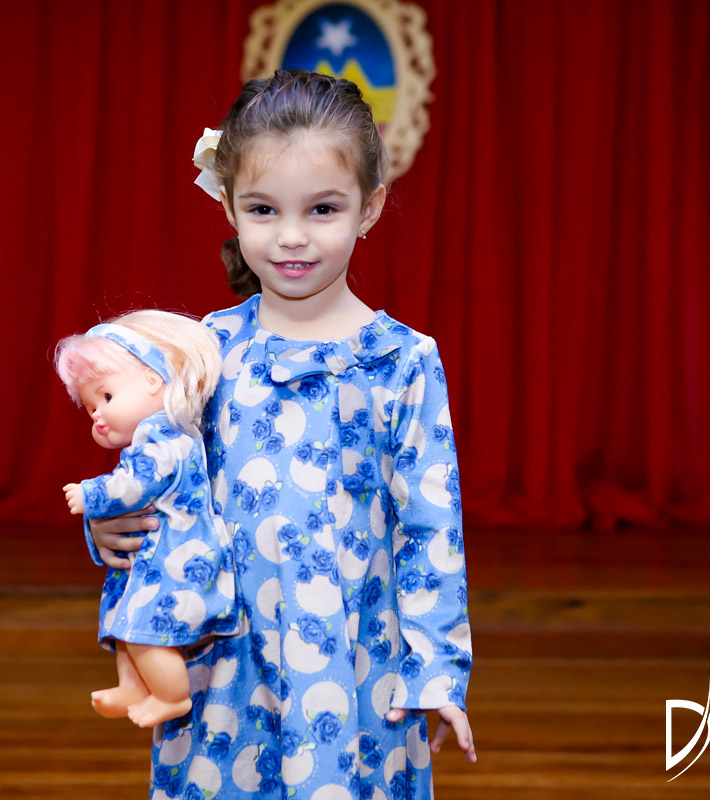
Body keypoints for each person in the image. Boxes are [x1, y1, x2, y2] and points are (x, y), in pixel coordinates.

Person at [89, 69, 474, 798]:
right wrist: (113, 524)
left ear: (369, 207)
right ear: (229, 207)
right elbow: (159, 475)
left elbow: (431, 530)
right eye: (264, 209)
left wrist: (437, 671)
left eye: (322, 208)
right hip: (223, 663)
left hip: (358, 669)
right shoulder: (203, 352)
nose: (292, 236)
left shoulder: (403, 361)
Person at [55, 310, 242, 728]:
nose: (97, 415)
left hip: (178, 559)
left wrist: (93, 494)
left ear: (153, 380)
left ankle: (172, 696)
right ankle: (133, 686)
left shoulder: (164, 439)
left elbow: (138, 483)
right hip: (159, 556)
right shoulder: (153, 437)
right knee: (127, 622)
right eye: (90, 408)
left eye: (106, 397)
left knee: (146, 630)